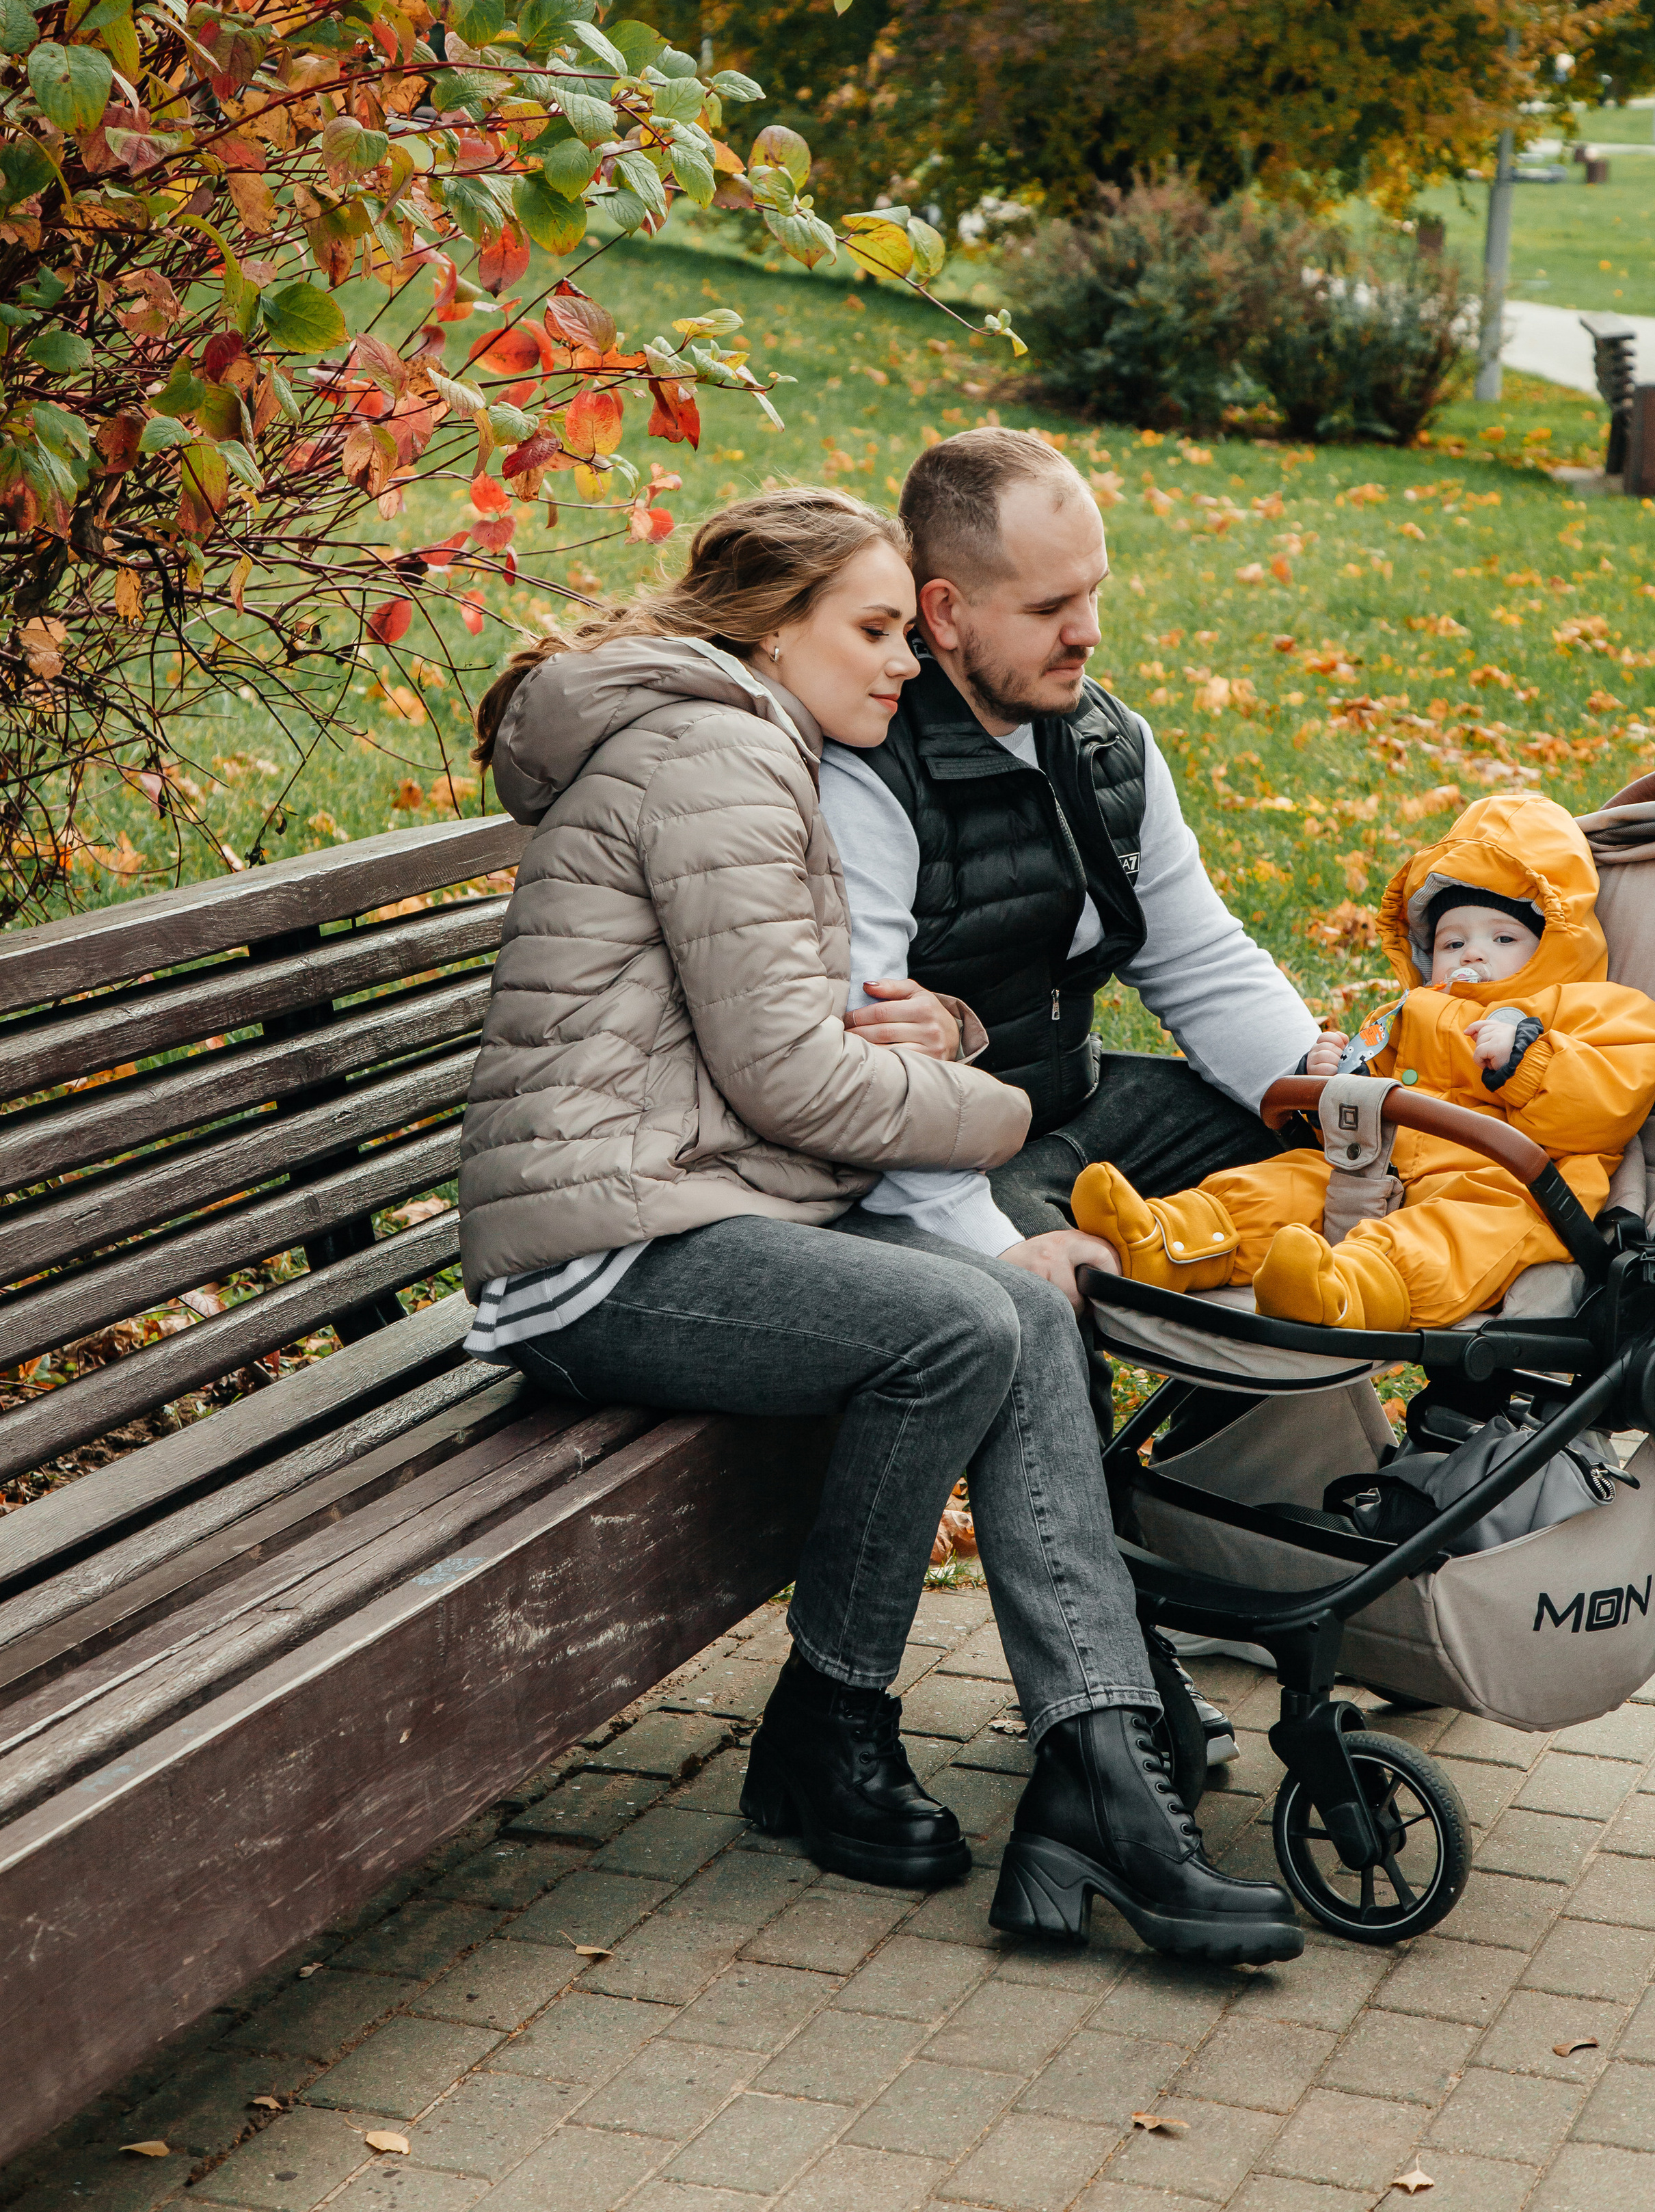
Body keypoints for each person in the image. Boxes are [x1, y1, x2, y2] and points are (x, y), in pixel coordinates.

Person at [459, 486, 1302, 1968]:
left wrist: (950, 1030)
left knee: (1017, 1311)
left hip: (696, 1210)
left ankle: (1095, 1774)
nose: (900, 657)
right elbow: (790, 1071)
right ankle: (826, 1722)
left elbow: (810, 1031)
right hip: (593, 1256)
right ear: (771, 633)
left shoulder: (757, 741)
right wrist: (985, 1101)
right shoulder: (716, 754)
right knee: (965, 1319)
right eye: (867, 626)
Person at [814, 427, 1322, 1745]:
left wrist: (1328, 1090)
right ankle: (1119, 1650)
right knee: (1054, 1297)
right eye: (1049, 608)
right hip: (949, 1156)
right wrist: (1001, 1251)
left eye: (1093, 591)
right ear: (946, 611)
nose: (1087, 631)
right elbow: (872, 1078)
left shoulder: (1103, 740)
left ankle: (1216, 1542)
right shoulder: (870, 775)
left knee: (1322, 1187)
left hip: (1080, 1098)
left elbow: (1199, 954)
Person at [1075, 792, 1655, 1329]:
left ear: (1555, 945)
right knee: (1283, 1185)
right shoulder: (1407, 1013)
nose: (1474, 955)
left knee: (1452, 1239)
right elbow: (1360, 1107)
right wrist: (1343, 1078)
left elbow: (1606, 1106)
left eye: (1504, 938)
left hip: (1501, 1188)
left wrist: (1530, 1060)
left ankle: (1344, 1290)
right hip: (1376, 1169)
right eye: (1452, 941)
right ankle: (1168, 1237)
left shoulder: (1603, 1010)